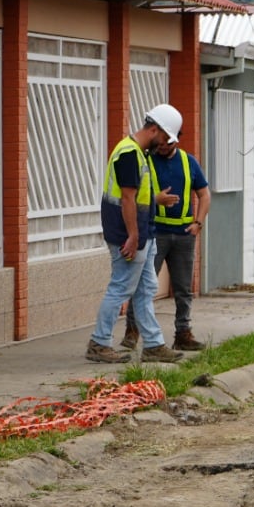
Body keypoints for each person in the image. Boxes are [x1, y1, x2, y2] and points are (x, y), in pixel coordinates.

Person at [86, 105, 187, 364]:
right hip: (129, 235)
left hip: (142, 233)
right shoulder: (130, 154)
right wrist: (132, 237)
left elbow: (135, 198)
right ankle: (99, 343)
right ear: (154, 129)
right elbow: (128, 200)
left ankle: (153, 345)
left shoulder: (137, 153)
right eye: (165, 138)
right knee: (121, 287)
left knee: (144, 290)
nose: (164, 145)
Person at [121, 126, 211, 352]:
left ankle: (183, 333)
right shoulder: (145, 160)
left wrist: (198, 223)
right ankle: (132, 333)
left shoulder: (188, 162)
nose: (162, 146)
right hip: (155, 234)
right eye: (161, 143)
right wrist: (156, 199)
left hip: (184, 235)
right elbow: (132, 195)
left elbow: (204, 193)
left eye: (168, 143)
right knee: (143, 286)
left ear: (177, 140)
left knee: (183, 288)